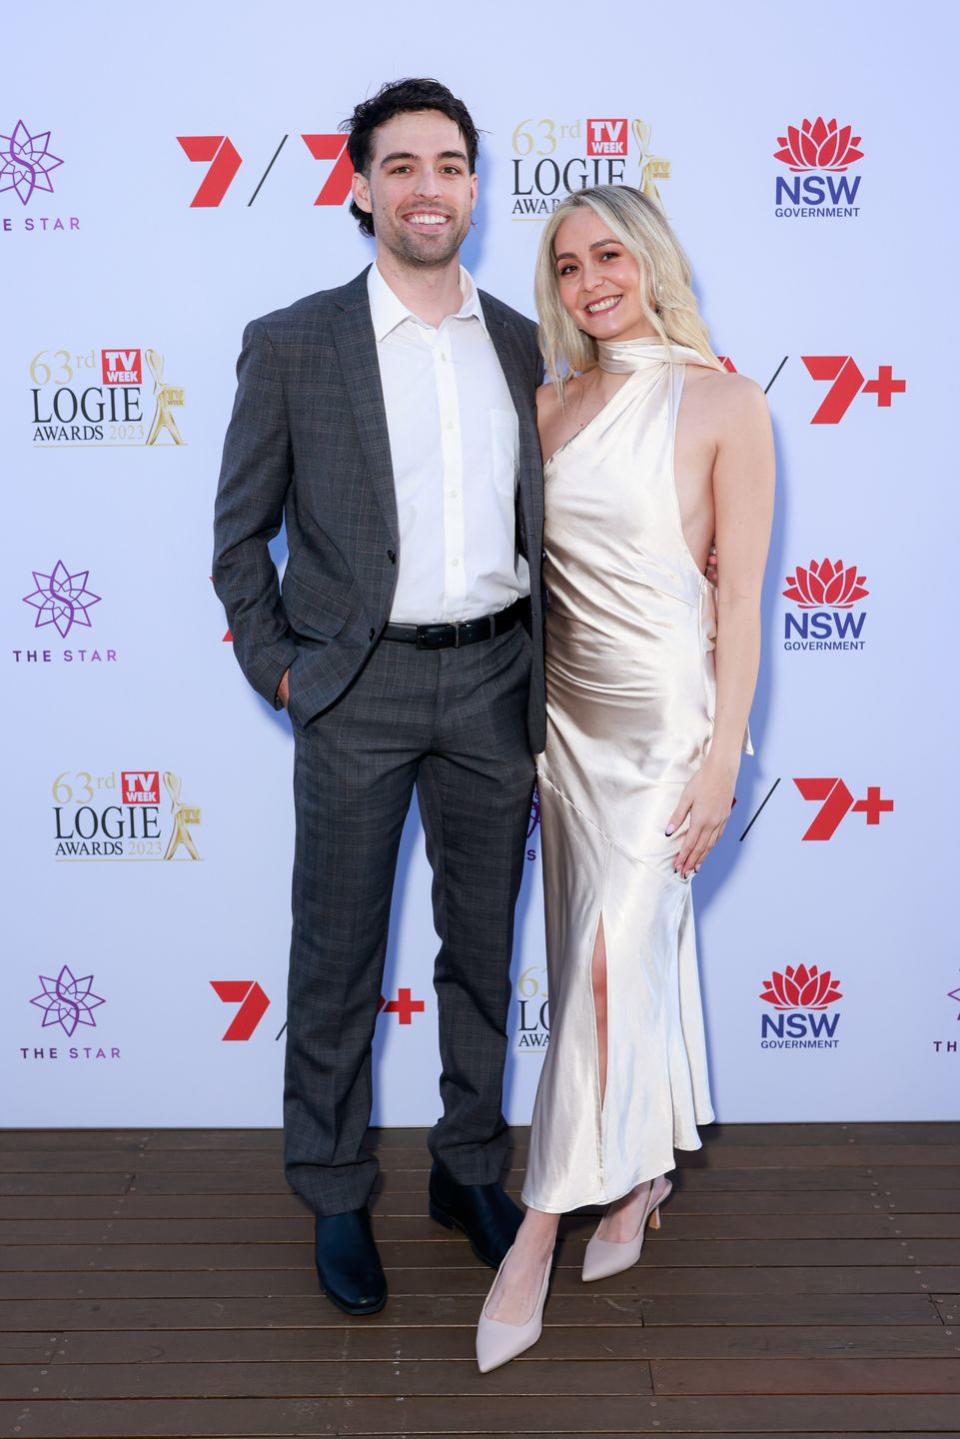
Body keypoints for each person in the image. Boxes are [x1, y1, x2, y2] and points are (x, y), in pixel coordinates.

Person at [212, 78, 546, 1318]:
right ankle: (337, 1190)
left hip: (501, 680)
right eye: (399, 164)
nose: (426, 186)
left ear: (474, 186)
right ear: (358, 187)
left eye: (449, 164)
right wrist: (284, 669)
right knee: (337, 956)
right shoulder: (295, 339)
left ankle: (467, 1172)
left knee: (482, 949)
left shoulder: (523, 340)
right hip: (357, 686)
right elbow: (239, 539)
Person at [475, 186, 774, 1371]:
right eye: (564, 265)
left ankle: (536, 1228)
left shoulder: (724, 400)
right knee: (613, 966)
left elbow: (741, 595)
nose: (590, 279)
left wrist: (722, 757)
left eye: (609, 253)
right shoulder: (544, 405)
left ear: (650, 260)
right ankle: (643, 1170)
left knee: (609, 953)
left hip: (666, 738)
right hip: (564, 734)